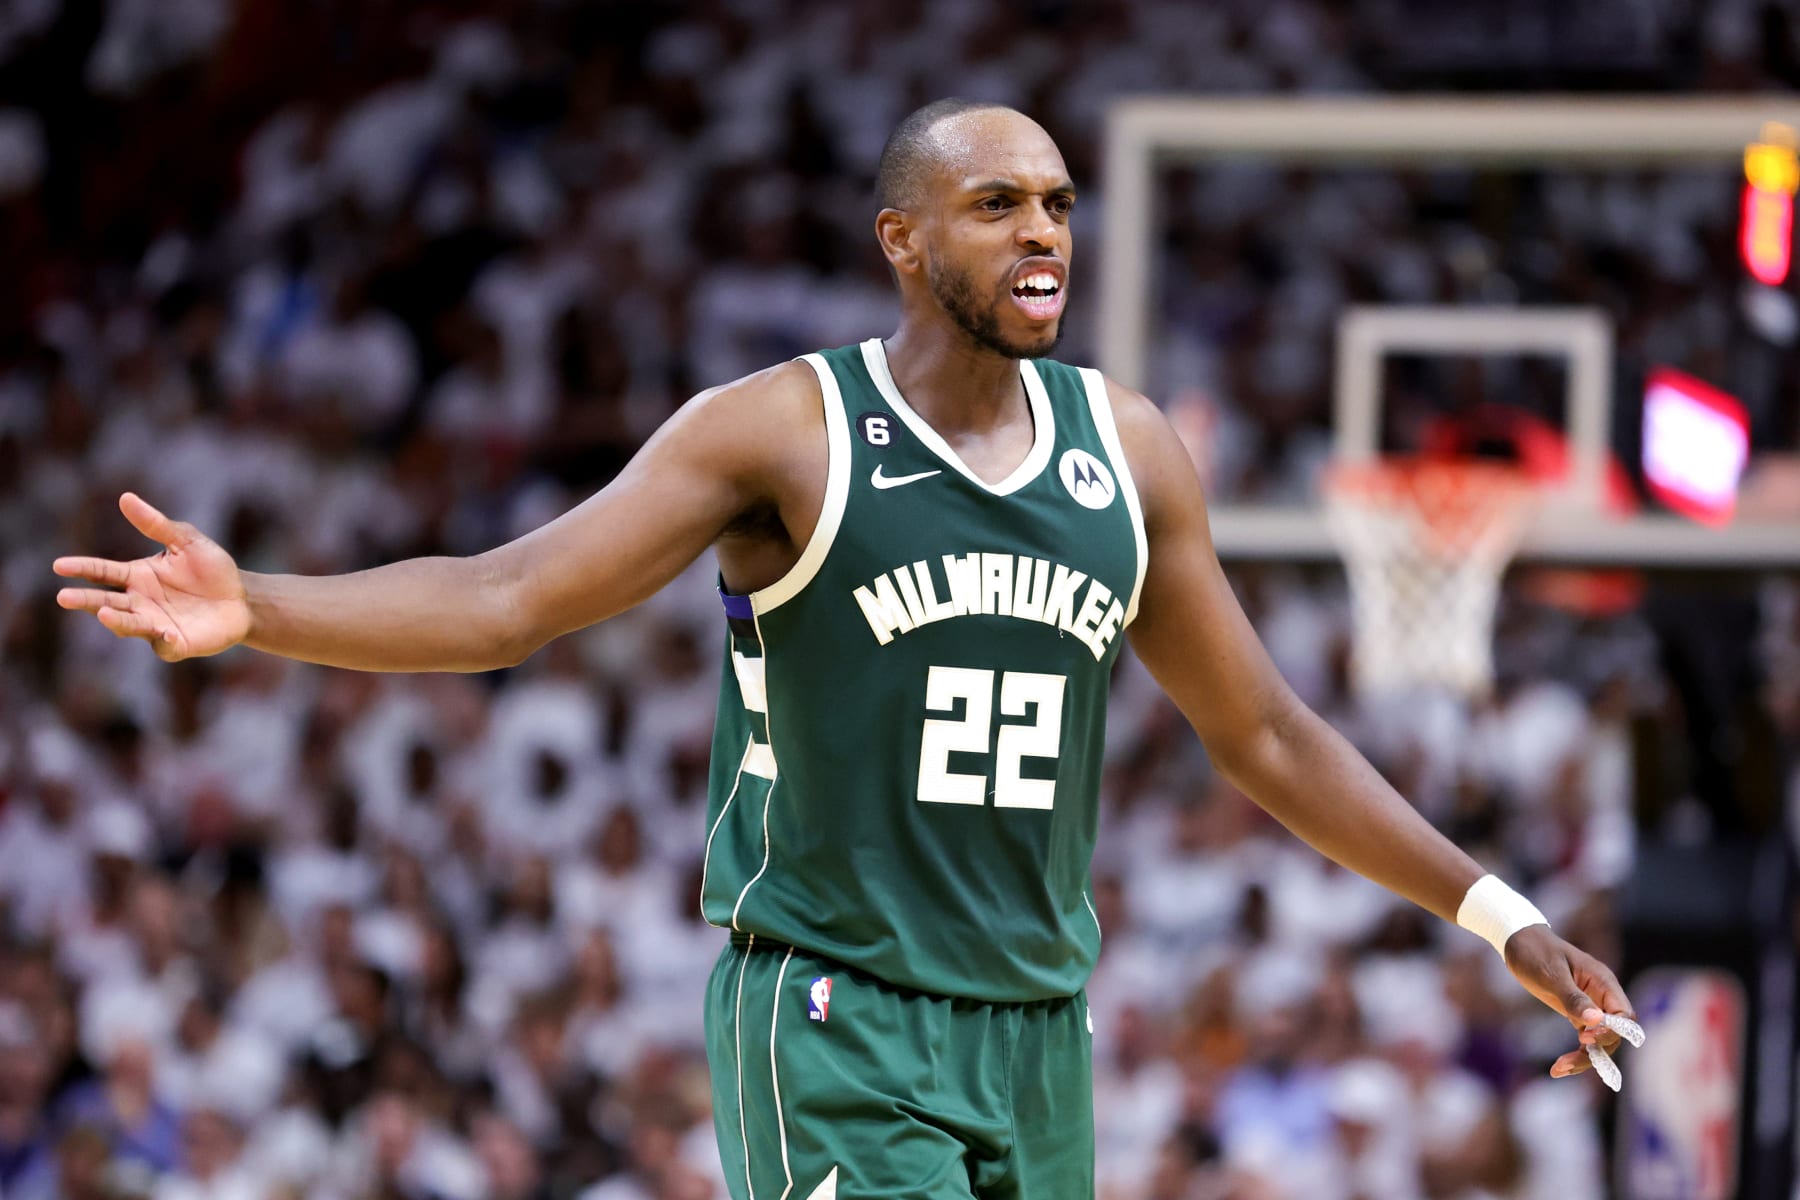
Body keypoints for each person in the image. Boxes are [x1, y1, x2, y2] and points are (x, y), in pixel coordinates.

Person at [54, 98, 1634, 1200]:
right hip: (836, 1012)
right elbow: (506, 600)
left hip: (1037, 1029)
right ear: (901, 238)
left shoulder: (1128, 452)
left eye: (1062, 206)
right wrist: (264, 602)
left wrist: (1498, 914)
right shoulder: (786, 435)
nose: (1045, 233)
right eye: (999, 202)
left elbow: (1269, 738)